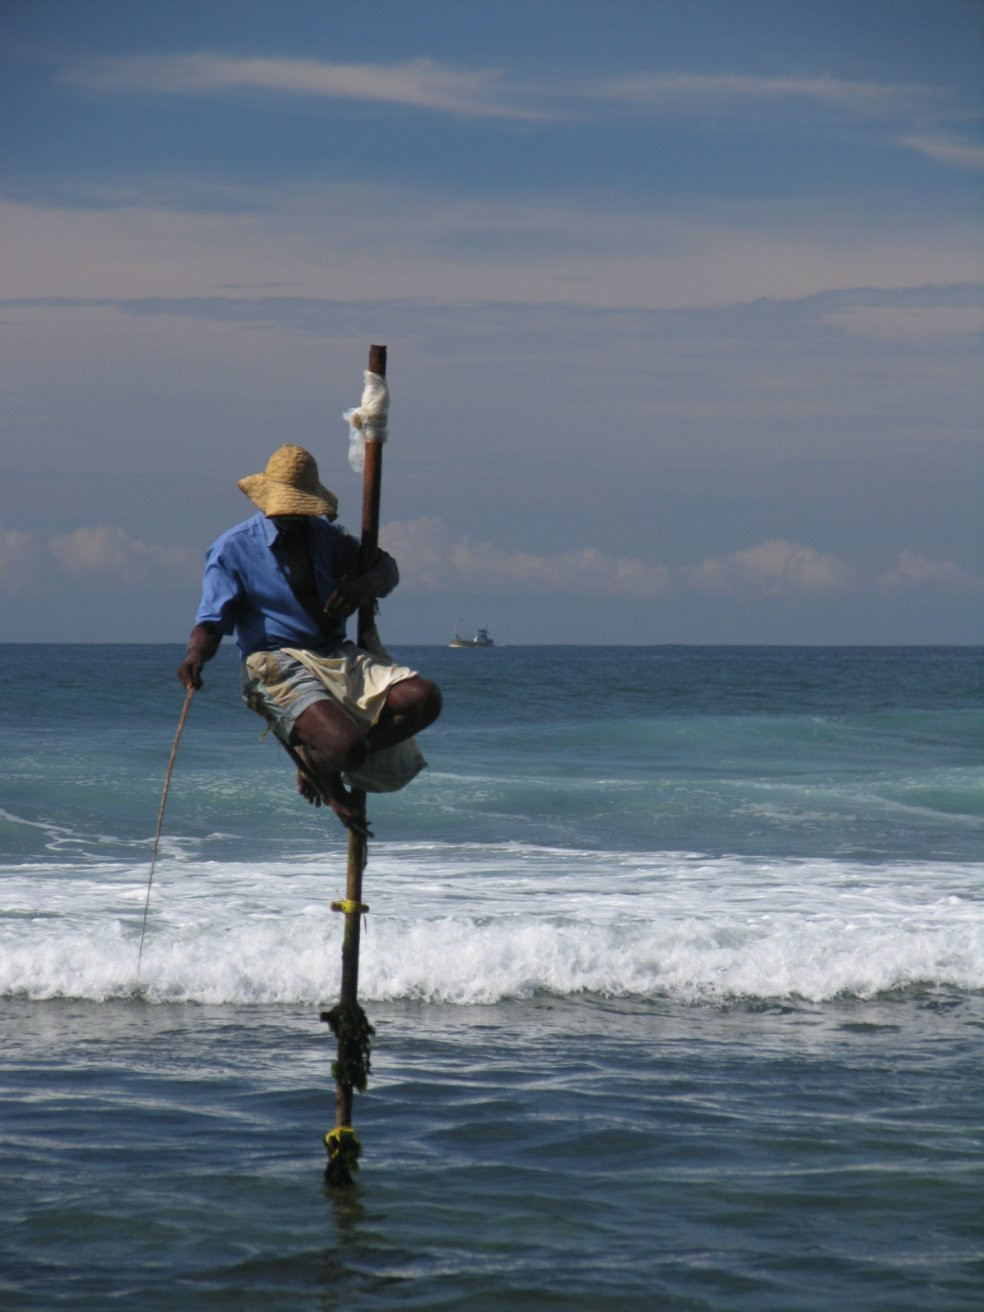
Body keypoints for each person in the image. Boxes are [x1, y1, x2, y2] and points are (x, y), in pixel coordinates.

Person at [177, 443, 441, 828]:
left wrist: (360, 587)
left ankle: (317, 759)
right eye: (285, 510)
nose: (292, 518)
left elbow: (388, 571)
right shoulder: (232, 549)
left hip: (331, 652)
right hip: (274, 661)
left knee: (424, 699)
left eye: (300, 510)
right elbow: (211, 622)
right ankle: (334, 774)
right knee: (346, 747)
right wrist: (195, 658)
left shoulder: (326, 537)